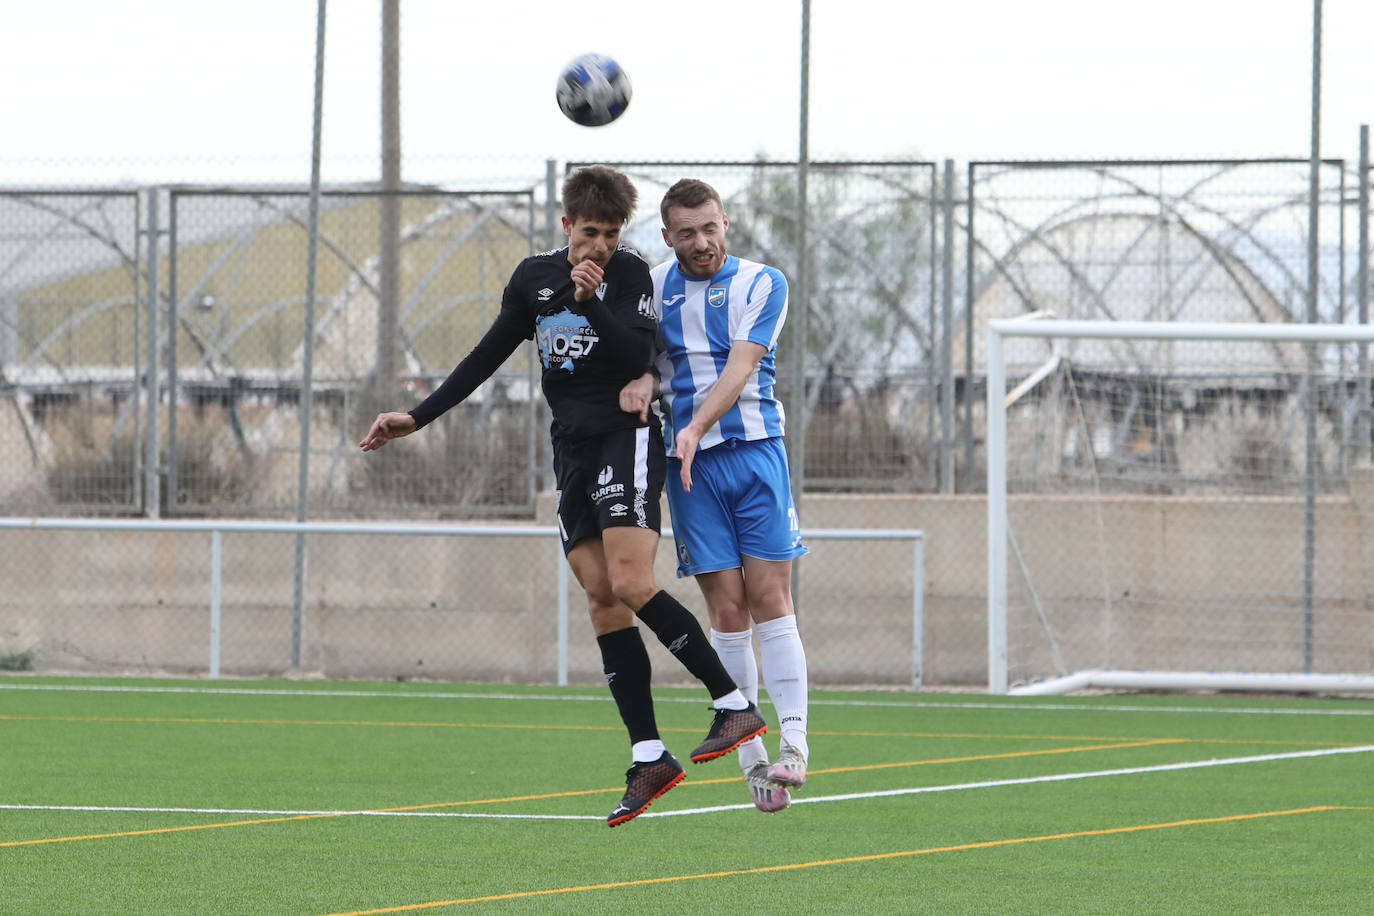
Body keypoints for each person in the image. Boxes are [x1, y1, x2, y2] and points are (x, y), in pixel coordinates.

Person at [359, 166, 765, 827]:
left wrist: (592, 299)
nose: (601, 245)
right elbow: (486, 355)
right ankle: (649, 755)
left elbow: (637, 351)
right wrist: (418, 417)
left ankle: (731, 702)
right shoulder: (532, 278)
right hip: (571, 451)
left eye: (611, 234)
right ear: (567, 225)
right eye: (591, 232)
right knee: (602, 597)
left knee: (632, 580)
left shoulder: (630, 276)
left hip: (624, 439)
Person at [619, 178, 810, 814]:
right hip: (688, 466)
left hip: (753, 454)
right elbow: (641, 355)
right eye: (686, 233)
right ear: (666, 236)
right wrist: (646, 384)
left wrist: (697, 425)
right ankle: (755, 762)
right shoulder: (650, 287)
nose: (701, 242)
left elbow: (741, 364)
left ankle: (795, 746)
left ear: (725, 223)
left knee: (770, 596)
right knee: (727, 611)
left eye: (710, 228)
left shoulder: (764, 282)